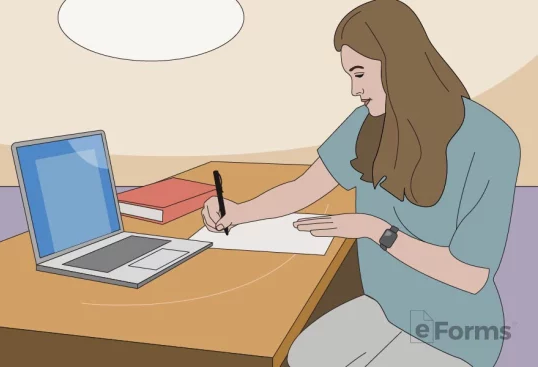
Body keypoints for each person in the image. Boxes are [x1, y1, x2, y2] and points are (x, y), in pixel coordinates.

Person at [202, 0, 520, 366]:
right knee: (302, 356)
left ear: (397, 64)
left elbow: (471, 275)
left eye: (360, 73)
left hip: (455, 333)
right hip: (385, 309)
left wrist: (376, 230)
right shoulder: (367, 123)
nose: (355, 89)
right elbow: (304, 188)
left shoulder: (491, 141)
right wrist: (239, 213)